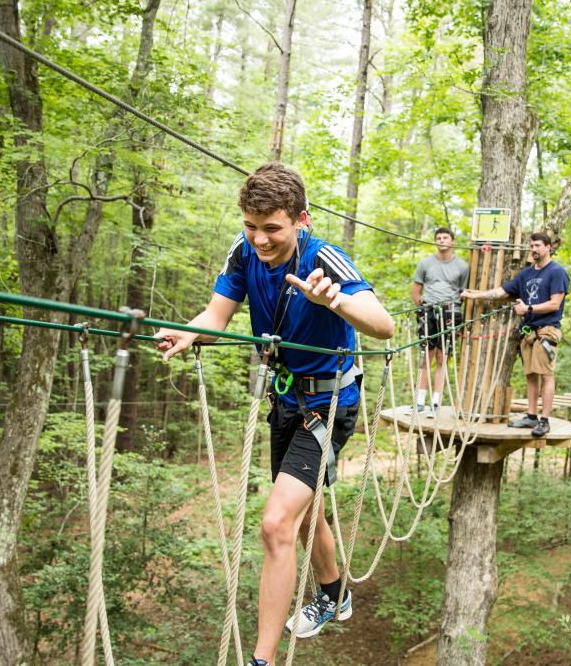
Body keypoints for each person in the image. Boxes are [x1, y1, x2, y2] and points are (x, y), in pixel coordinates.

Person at [153, 163, 394, 666]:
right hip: (286, 402)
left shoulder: (325, 258)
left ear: (300, 219)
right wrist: (188, 332)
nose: (260, 239)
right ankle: (335, 593)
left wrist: (337, 303)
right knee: (303, 513)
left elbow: (384, 326)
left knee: (276, 522)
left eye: (272, 229)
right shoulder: (243, 253)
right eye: (251, 226)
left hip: (329, 405)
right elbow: (217, 315)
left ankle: (260, 660)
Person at [460, 232, 568, 437]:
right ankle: (531, 416)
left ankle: (544, 421)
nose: (534, 250)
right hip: (528, 333)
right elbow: (500, 292)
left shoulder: (556, 272)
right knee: (530, 375)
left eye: (537, 245)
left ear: (547, 247)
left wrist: (528, 309)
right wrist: (474, 295)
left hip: (546, 330)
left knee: (546, 375)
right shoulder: (526, 274)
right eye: (531, 246)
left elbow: (555, 303)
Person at [411, 227, 469, 418]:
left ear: (452, 241)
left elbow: (463, 292)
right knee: (426, 355)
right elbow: (416, 292)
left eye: (445, 237)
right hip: (428, 309)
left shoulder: (462, 266)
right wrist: (424, 307)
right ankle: (420, 400)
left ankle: (436, 401)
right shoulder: (425, 263)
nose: (442, 240)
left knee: (442, 357)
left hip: (451, 311)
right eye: (438, 237)